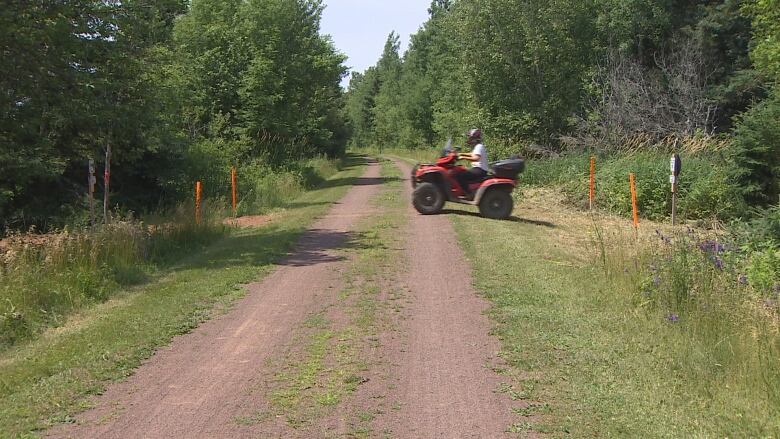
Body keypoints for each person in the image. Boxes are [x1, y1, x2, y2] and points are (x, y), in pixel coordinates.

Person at [456, 128, 488, 197]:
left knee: (461, 175)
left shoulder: (479, 146)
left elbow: (476, 158)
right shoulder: (478, 146)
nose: (469, 139)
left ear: (474, 138)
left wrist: (463, 157)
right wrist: (461, 154)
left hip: (480, 170)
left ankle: (469, 194)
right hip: (479, 169)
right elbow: (472, 154)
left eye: (470, 137)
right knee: (460, 170)